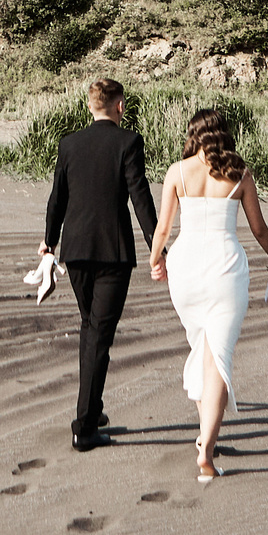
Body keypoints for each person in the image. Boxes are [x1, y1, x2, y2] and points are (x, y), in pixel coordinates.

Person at [150, 107, 268, 483]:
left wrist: (154, 259)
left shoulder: (177, 172)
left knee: (203, 350)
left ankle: (204, 435)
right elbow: (259, 229)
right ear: (224, 134)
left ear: (193, 133)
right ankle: (207, 452)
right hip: (226, 269)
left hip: (187, 270)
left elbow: (163, 228)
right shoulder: (240, 172)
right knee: (218, 359)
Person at [41, 77, 159, 453]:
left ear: (91, 106)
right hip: (113, 252)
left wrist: (49, 242)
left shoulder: (69, 143)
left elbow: (57, 197)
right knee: (99, 335)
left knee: (90, 328)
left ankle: (92, 408)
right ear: (119, 105)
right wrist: (157, 245)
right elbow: (139, 196)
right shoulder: (128, 142)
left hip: (74, 251)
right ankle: (85, 425)